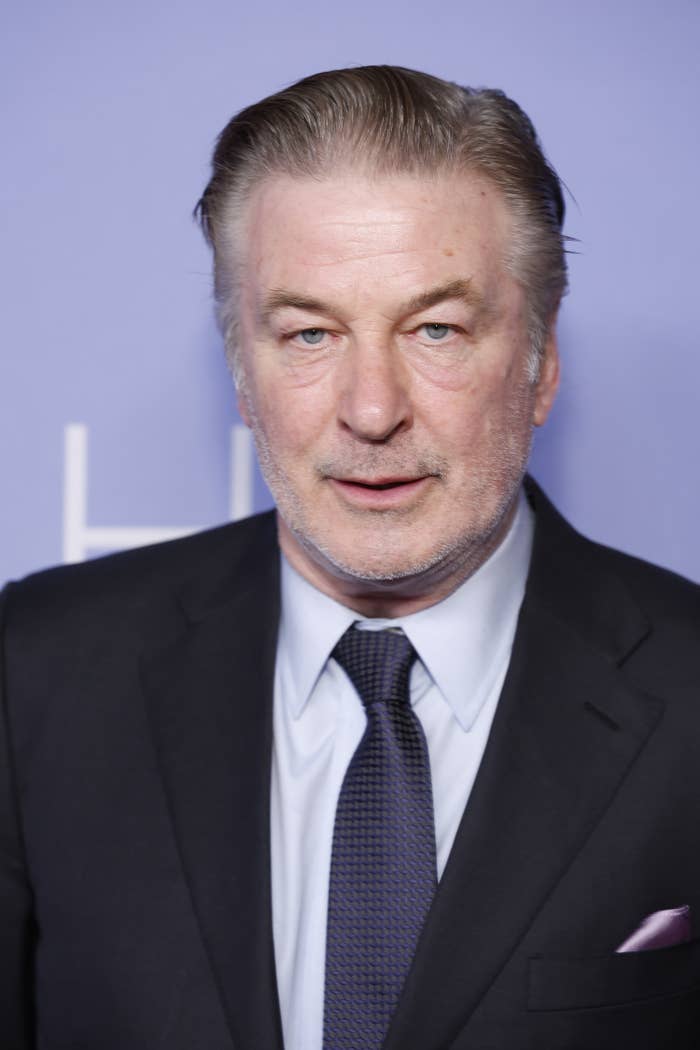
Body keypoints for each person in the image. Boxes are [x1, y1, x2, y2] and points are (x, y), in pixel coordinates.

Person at [1, 66, 699, 1050]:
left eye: (436, 330)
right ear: (241, 372)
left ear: (540, 361)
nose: (372, 409)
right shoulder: (36, 672)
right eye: (309, 333)